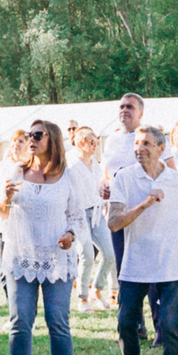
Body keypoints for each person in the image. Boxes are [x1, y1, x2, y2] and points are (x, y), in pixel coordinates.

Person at [0, 119, 83, 355]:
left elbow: (77, 217)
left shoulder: (68, 177)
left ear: (52, 140)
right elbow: (2, 214)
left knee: (58, 322)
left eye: (38, 135)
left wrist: (70, 234)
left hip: (56, 258)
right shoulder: (17, 172)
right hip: (22, 256)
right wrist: (6, 199)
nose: (30, 139)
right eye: (28, 134)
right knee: (20, 320)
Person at [108, 125, 178, 355]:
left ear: (161, 148)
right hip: (136, 263)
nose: (139, 148)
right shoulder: (124, 178)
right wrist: (144, 204)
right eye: (136, 143)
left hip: (172, 264)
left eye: (146, 143)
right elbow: (114, 223)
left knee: (169, 323)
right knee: (125, 323)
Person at [70, 126, 117, 313]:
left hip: (97, 214)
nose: (95, 144)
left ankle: (97, 291)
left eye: (96, 141)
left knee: (110, 253)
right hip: (79, 216)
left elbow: (100, 186)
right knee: (87, 255)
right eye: (91, 141)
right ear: (81, 143)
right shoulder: (72, 165)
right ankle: (82, 298)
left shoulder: (96, 164)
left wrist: (104, 197)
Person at [101, 93, 145, 270]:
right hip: (117, 211)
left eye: (130, 107)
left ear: (141, 113)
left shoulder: (150, 137)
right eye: (122, 106)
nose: (124, 110)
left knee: (146, 267)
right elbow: (105, 173)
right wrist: (103, 185)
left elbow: (169, 172)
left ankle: (154, 298)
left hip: (142, 210)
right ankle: (125, 298)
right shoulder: (112, 140)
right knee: (122, 265)